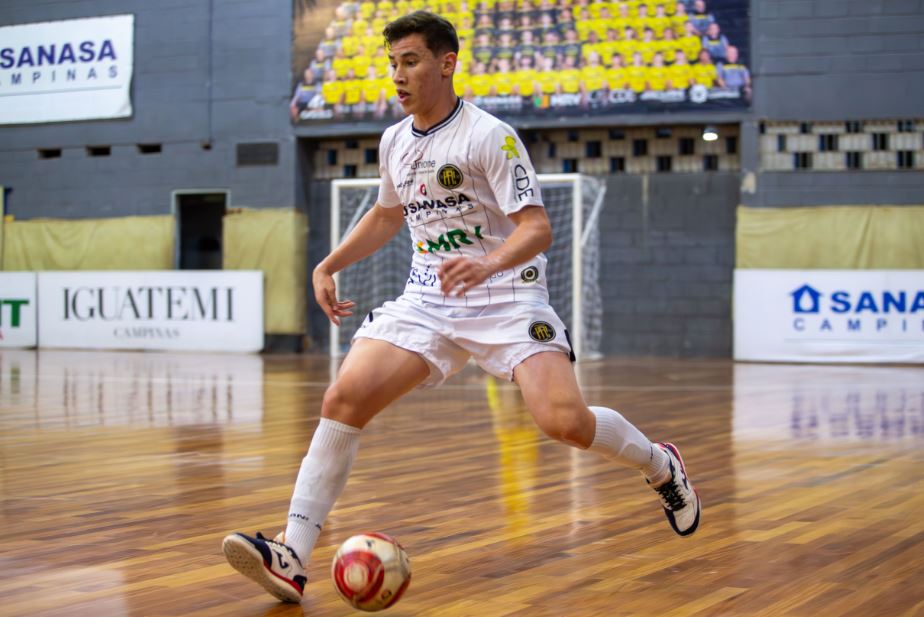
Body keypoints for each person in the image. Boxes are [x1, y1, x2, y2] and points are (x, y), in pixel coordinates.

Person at [222, 11, 701, 604]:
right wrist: (329, 263)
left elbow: (538, 227)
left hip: (508, 296)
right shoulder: (394, 140)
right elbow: (387, 216)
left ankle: (660, 464)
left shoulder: (489, 136)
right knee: (343, 398)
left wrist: (488, 264)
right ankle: (293, 555)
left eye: (411, 61)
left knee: (564, 423)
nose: (398, 75)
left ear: (447, 63)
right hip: (429, 298)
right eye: (393, 63)